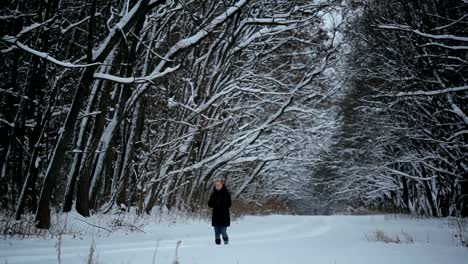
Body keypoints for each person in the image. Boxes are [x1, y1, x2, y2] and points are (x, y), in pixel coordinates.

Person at [208, 178, 232, 245]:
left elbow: (229, 204)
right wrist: (214, 202)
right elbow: (209, 204)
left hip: (224, 216)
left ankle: (226, 242)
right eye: (216, 185)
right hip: (216, 216)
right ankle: (217, 245)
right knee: (216, 232)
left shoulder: (226, 194)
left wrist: (222, 203)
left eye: (218, 185)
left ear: (222, 185)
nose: (217, 186)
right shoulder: (213, 194)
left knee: (223, 231)